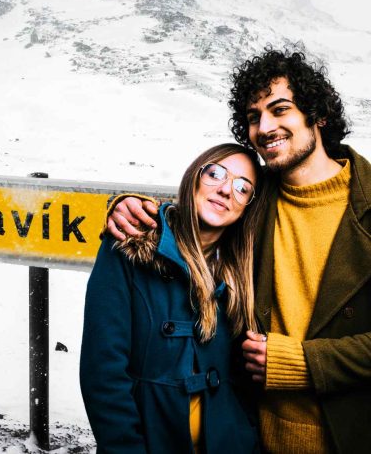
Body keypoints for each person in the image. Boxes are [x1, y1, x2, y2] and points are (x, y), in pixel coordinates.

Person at [105, 49, 371, 453]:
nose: (264, 127)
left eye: (279, 109)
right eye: (252, 117)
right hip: (254, 437)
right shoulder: (254, 197)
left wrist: (301, 362)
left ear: (317, 115)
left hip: (350, 434)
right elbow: (196, 210)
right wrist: (129, 206)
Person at [80, 143, 262, 453]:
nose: (226, 190)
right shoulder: (129, 244)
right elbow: (103, 374)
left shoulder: (244, 272)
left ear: (247, 206)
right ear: (194, 177)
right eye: (216, 173)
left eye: (243, 188)